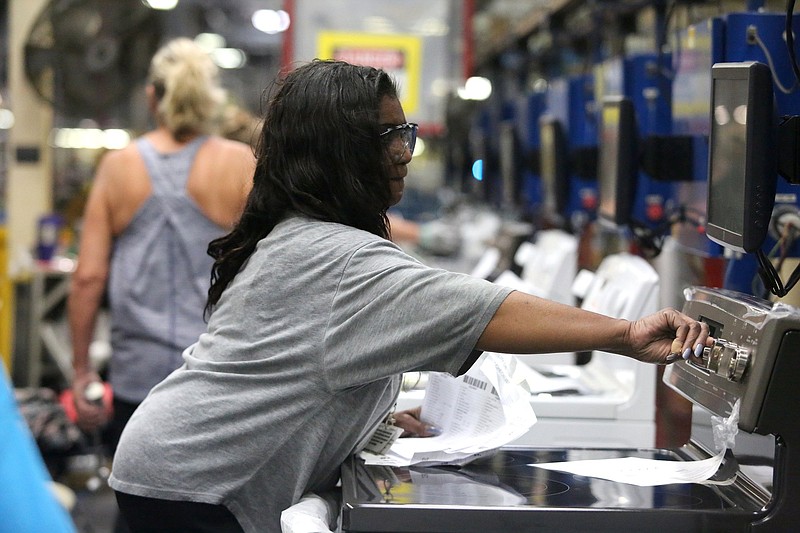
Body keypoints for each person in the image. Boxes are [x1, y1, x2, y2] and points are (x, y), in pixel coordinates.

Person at [107, 59, 712, 533]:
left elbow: (291, 376)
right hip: (193, 486)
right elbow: (480, 308)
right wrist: (625, 334)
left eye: (406, 132)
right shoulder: (339, 258)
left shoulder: (301, 237)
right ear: (337, 151)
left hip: (173, 466)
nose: (404, 151)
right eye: (388, 135)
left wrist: (363, 417)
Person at [68, 38, 255, 446]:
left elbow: (88, 277)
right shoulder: (240, 163)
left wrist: (82, 372)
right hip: (216, 374)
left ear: (151, 97)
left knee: (136, 496)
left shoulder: (119, 167)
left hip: (138, 377)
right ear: (211, 100)